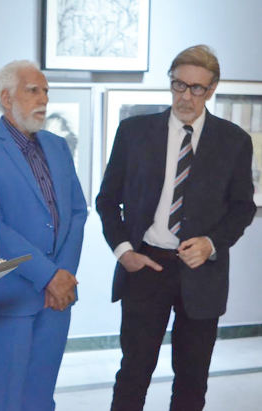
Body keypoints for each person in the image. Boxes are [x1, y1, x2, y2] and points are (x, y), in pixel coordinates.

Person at [96, 45, 256, 411]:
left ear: (212, 88)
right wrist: (125, 253)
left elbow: (242, 208)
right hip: (145, 267)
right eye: (178, 85)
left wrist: (212, 243)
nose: (186, 96)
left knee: (192, 381)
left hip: (202, 271)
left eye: (196, 88)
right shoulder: (134, 132)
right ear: (170, 83)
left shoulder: (233, 142)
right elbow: (106, 200)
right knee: (133, 374)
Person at [0, 60, 87, 411]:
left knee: (41, 401)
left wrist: (64, 275)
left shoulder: (57, 146)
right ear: (6, 97)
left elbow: (77, 212)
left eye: (45, 91)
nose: (43, 98)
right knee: (7, 402)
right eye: (33, 90)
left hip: (56, 300)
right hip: (9, 297)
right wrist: (48, 275)